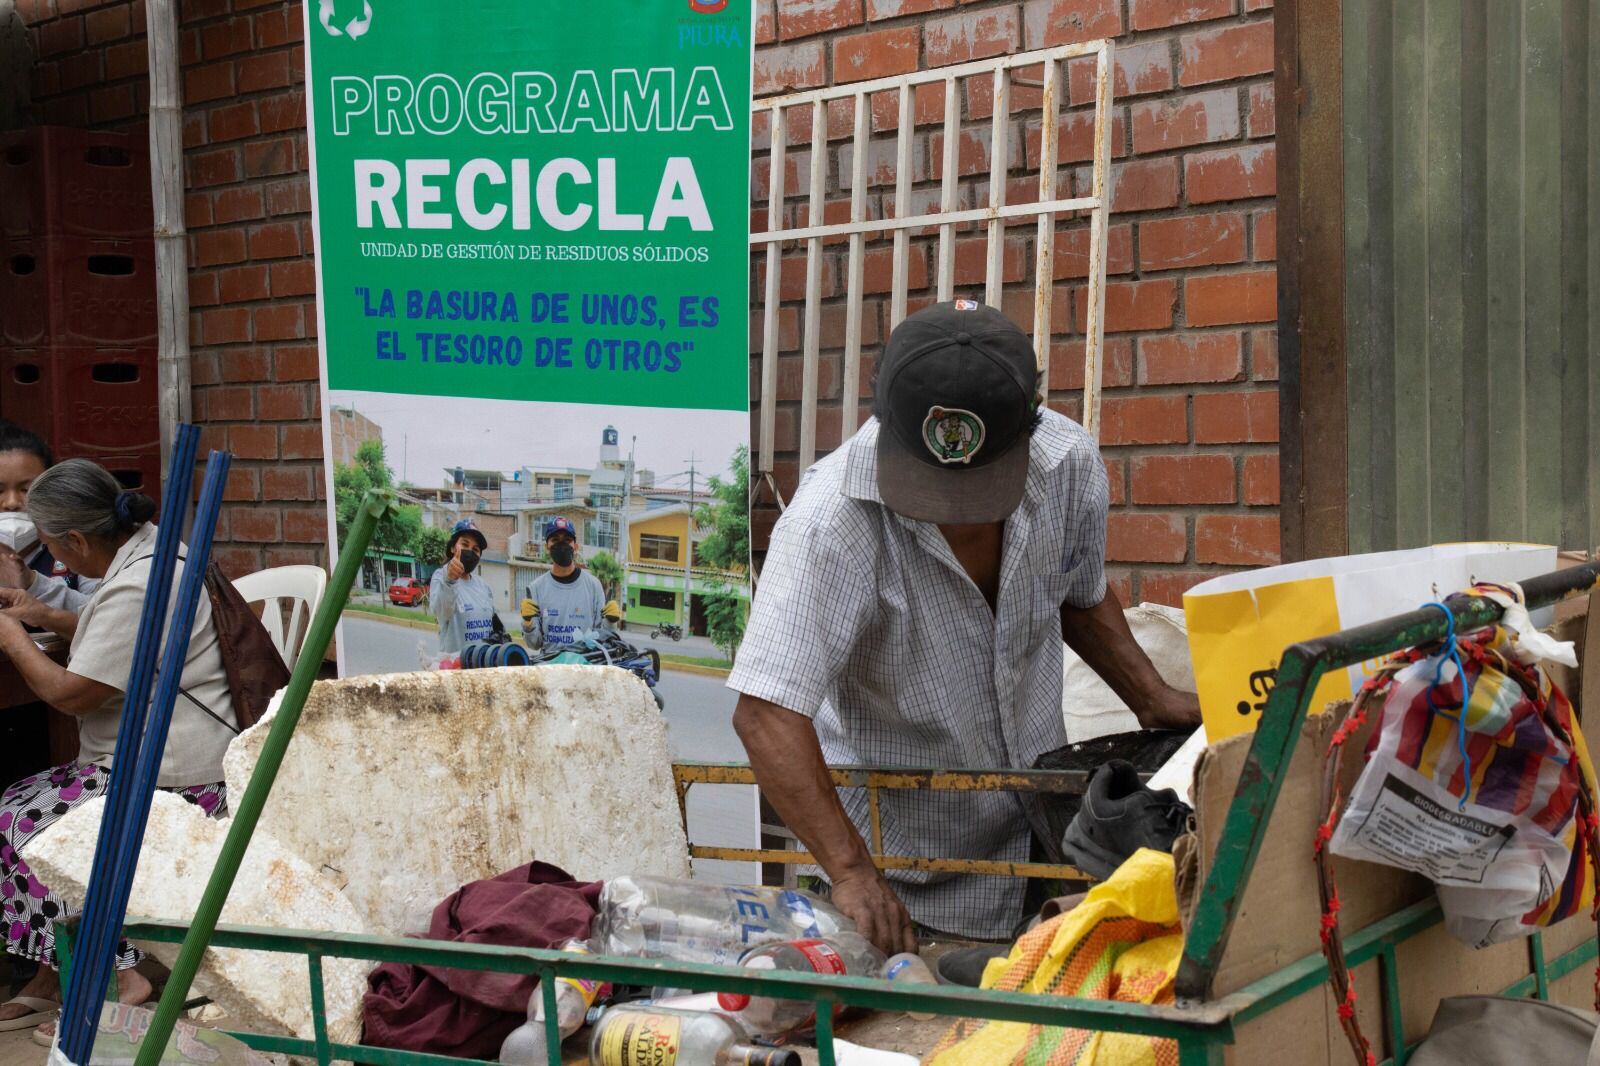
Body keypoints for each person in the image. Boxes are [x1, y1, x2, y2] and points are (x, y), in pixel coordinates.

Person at [727, 301, 1201, 954]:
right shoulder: (830, 519)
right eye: (932, 489)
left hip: (1039, 840)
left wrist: (1153, 698)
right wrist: (852, 873)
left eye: (977, 493)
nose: (956, 517)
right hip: (896, 882)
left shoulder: (1066, 465)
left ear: (1029, 427)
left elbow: (1076, 593)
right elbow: (767, 713)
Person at [0, 459, 237, 1035]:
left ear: (77, 538)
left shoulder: (139, 584)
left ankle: (117, 974)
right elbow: (115, 635)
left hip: (178, 777)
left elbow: (71, 693)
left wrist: (11, 639)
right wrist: (40, 613)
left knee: (18, 824)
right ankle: (56, 973)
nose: (56, 562)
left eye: (57, 548)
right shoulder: (148, 548)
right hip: (154, 757)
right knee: (21, 798)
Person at [0, 421, 96, 619]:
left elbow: (102, 616)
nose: (11, 503)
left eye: (26, 490)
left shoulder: (77, 545)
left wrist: (33, 584)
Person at [520, 516, 606, 650]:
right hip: (549, 667)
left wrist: (611, 623)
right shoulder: (536, 588)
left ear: (575, 546)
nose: (561, 545)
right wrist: (528, 623)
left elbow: (603, 638)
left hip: (583, 666)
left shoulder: (593, 586)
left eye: (567, 540)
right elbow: (534, 644)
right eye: (555, 540)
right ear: (547, 548)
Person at [430, 519, 499, 654]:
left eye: (475, 549)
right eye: (465, 544)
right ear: (452, 547)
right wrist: (450, 580)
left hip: (482, 666)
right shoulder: (441, 577)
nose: (470, 551)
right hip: (456, 668)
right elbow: (441, 612)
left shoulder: (483, 586)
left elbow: (493, 624)